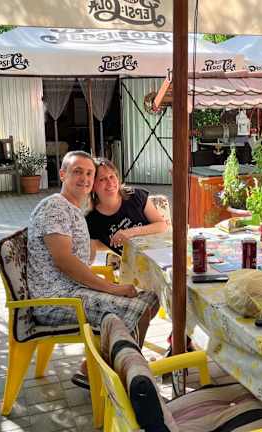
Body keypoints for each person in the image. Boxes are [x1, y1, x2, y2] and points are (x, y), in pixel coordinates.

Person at [27, 151, 159, 389]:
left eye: (89, 173)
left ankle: (109, 366)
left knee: (150, 298)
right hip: (57, 301)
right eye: (77, 172)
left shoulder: (74, 210)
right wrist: (111, 288)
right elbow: (64, 261)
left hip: (73, 291)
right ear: (62, 174)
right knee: (140, 307)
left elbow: (83, 256)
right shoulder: (55, 208)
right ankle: (116, 373)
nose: (85, 178)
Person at [85, 157, 169, 256]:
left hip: (157, 252)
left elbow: (161, 225)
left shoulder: (136, 195)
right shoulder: (90, 219)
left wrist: (129, 232)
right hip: (129, 263)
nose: (110, 182)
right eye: (102, 179)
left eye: (112, 176)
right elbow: (93, 249)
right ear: (92, 186)